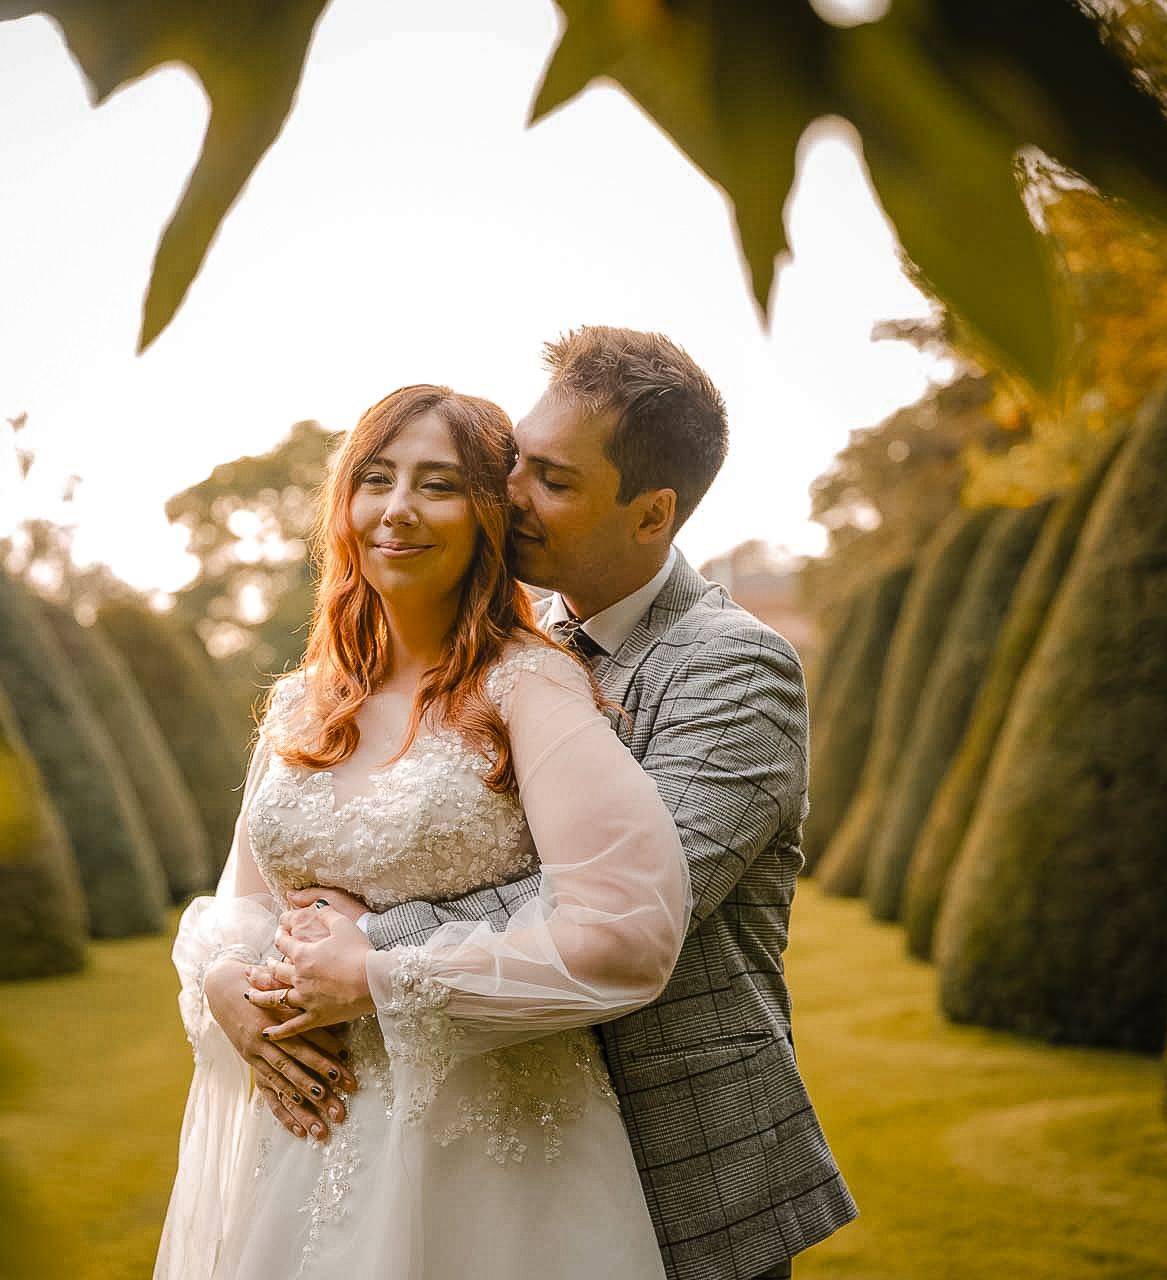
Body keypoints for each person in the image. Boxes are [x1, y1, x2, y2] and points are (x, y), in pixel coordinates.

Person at [250, 328, 857, 1280]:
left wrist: (359, 946)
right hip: (475, 1135)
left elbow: (637, 900)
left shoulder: (735, 668)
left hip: (680, 1158)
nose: (513, 498)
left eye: (555, 482)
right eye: (517, 465)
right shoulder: (510, 655)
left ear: (652, 515)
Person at [156, 383, 693, 1279]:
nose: (397, 510)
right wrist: (225, 985)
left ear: (491, 517)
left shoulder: (530, 687)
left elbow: (626, 929)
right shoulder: (301, 702)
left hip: (484, 1165)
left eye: (438, 485)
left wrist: (378, 977)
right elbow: (244, 905)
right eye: (377, 478)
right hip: (297, 1153)